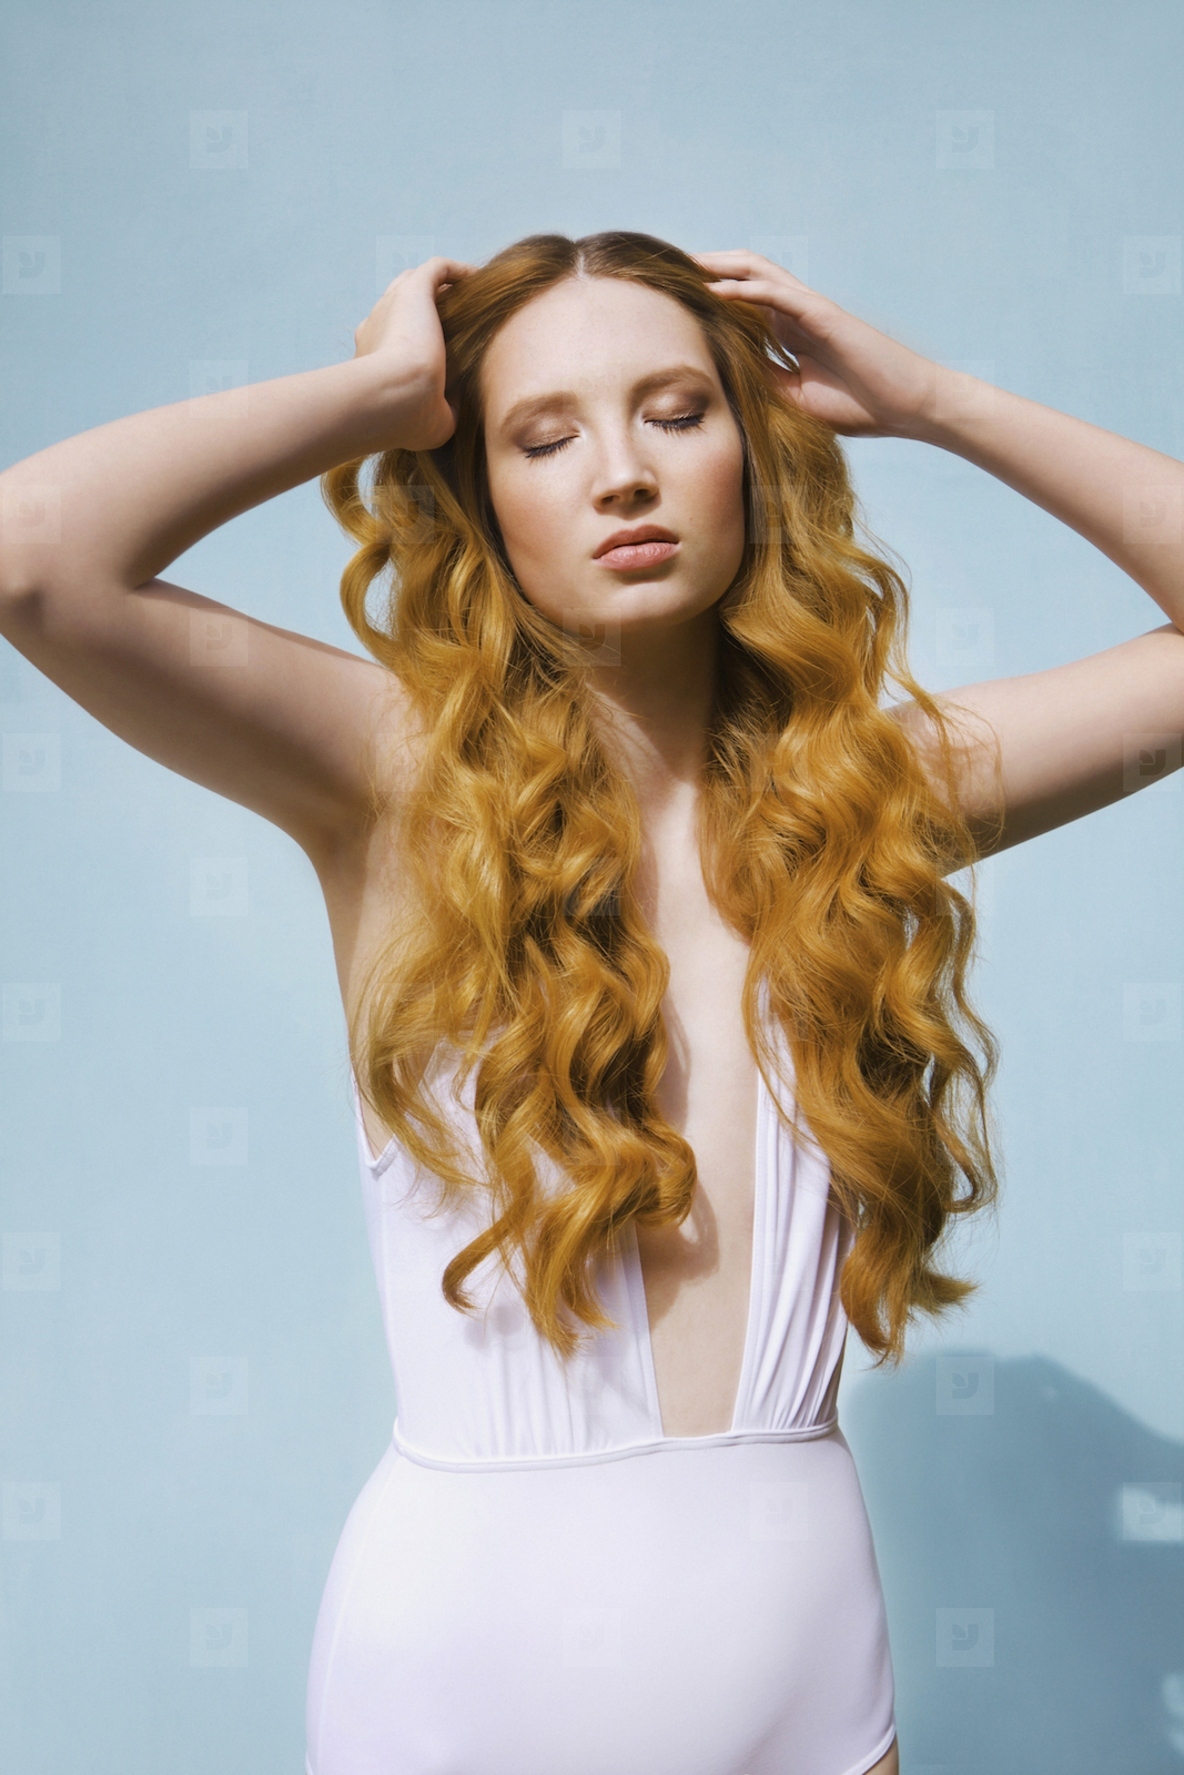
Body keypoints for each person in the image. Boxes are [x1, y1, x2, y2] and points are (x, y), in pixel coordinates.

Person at [1, 230, 1180, 1775]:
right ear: (478, 495)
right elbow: (34, 553)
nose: (622, 472)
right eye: (542, 438)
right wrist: (377, 395)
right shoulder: (394, 785)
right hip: (459, 1686)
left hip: (815, 1677)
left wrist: (938, 399)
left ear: (755, 457)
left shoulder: (867, 801)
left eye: (678, 414)